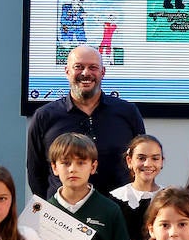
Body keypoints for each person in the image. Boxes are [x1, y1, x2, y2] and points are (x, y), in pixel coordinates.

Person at [26, 44, 144, 199]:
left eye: (93, 67)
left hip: (120, 213)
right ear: (67, 72)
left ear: (103, 72)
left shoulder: (128, 113)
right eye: (78, 67)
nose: (86, 73)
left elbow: (141, 161)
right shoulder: (44, 117)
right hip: (63, 216)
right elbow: (36, 172)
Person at [109, 134, 164, 240]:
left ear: (161, 162)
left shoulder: (169, 198)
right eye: (141, 158)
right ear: (130, 161)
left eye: (155, 158)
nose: (148, 164)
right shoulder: (114, 198)